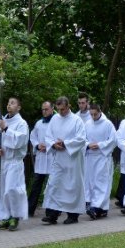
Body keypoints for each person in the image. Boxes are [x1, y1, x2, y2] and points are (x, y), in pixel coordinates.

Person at [42, 96, 87, 225]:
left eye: (63, 109)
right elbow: (48, 136)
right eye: (59, 109)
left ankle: (73, 215)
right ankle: (52, 215)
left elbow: (81, 139)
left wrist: (65, 143)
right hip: (59, 158)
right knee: (54, 184)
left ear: (68, 106)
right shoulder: (54, 119)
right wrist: (53, 144)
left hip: (72, 159)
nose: (61, 112)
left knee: (71, 186)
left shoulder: (77, 120)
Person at [0, 97, 30, 231]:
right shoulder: (0, 122)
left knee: (12, 189)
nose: (9, 105)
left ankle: (15, 217)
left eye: (12, 103)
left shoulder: (21, 123)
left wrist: (6, 129)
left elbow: (20, 141)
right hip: (2, 162)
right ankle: (5, 216)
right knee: (1, 191)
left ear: (19, 107)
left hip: (14, 162)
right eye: (8, 103)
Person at [83, 104, 116, 220]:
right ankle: (94, 206)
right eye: (91, 114)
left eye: (95, 114)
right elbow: (82, 139)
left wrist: (100, 145)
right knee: (90, 183)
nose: (93, 116)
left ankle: (97, 208)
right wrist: (88, 145)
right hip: (90, 158)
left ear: (100, 112)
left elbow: (113, 140)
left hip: (102, 157)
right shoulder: (87, 124)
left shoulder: (108, 124)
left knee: (101, 183)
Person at [27, 101, 54, 217]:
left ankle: (52, 210)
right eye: (43, 109)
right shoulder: (39, 123)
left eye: (46, 109)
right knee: (36, 184)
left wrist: (49, 146)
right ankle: (30, 209)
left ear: (52, 109)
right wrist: (38, 145)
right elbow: (32, 137)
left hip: (53, 156)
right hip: (41, 158)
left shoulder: (57, 122)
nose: (44, 111)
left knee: (52, 184)